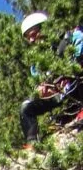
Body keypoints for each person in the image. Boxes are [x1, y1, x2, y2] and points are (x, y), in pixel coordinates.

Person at [20, 11, 83, 146]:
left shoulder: (71, 38)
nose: (31, 40)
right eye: (28, 38)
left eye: (33, 35)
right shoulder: (37, 62)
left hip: (77, 84)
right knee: (26, 107)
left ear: (45, 27)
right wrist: (43, 91)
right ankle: (33, 145)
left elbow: (79, 61)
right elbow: (39, 84)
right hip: (61, 95)